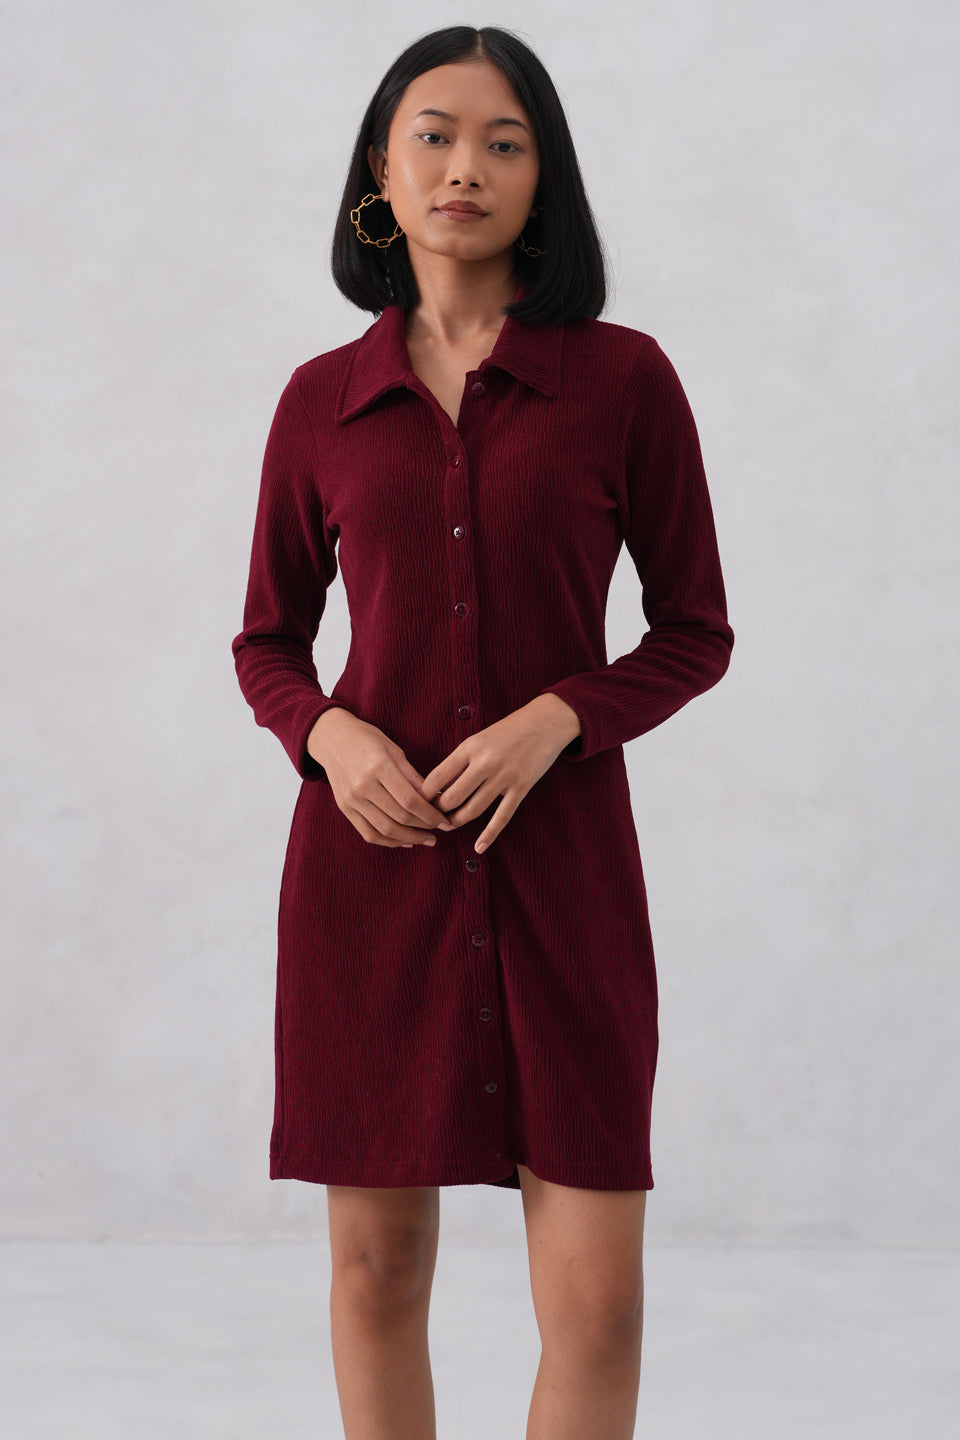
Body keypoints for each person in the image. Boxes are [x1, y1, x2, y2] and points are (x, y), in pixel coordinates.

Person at [231, 23, 734, 1440]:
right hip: (371, 881)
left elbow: (694, 630)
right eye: (435, 136)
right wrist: (329, 738)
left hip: (566, 877)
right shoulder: (321, 401)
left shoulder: (624, 381)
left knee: (598, 1307)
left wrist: (564, 716)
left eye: (506, 144)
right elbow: (267, 642)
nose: (467, 167)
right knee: (377, 1273)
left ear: (543, 180)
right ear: (379, 174)